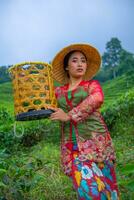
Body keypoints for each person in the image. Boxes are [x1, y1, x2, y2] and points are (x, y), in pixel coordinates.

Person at [50, 43, 119, 199]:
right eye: (74, 60)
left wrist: (69, 115)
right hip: (71, 147)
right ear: (66, 66)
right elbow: (46, 106)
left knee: (108, 188)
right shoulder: (58, 92)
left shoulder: (91, 85)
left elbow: (97, 98)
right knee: (88, 190)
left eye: (83, 60)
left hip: (96, 144)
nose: (80, 64)